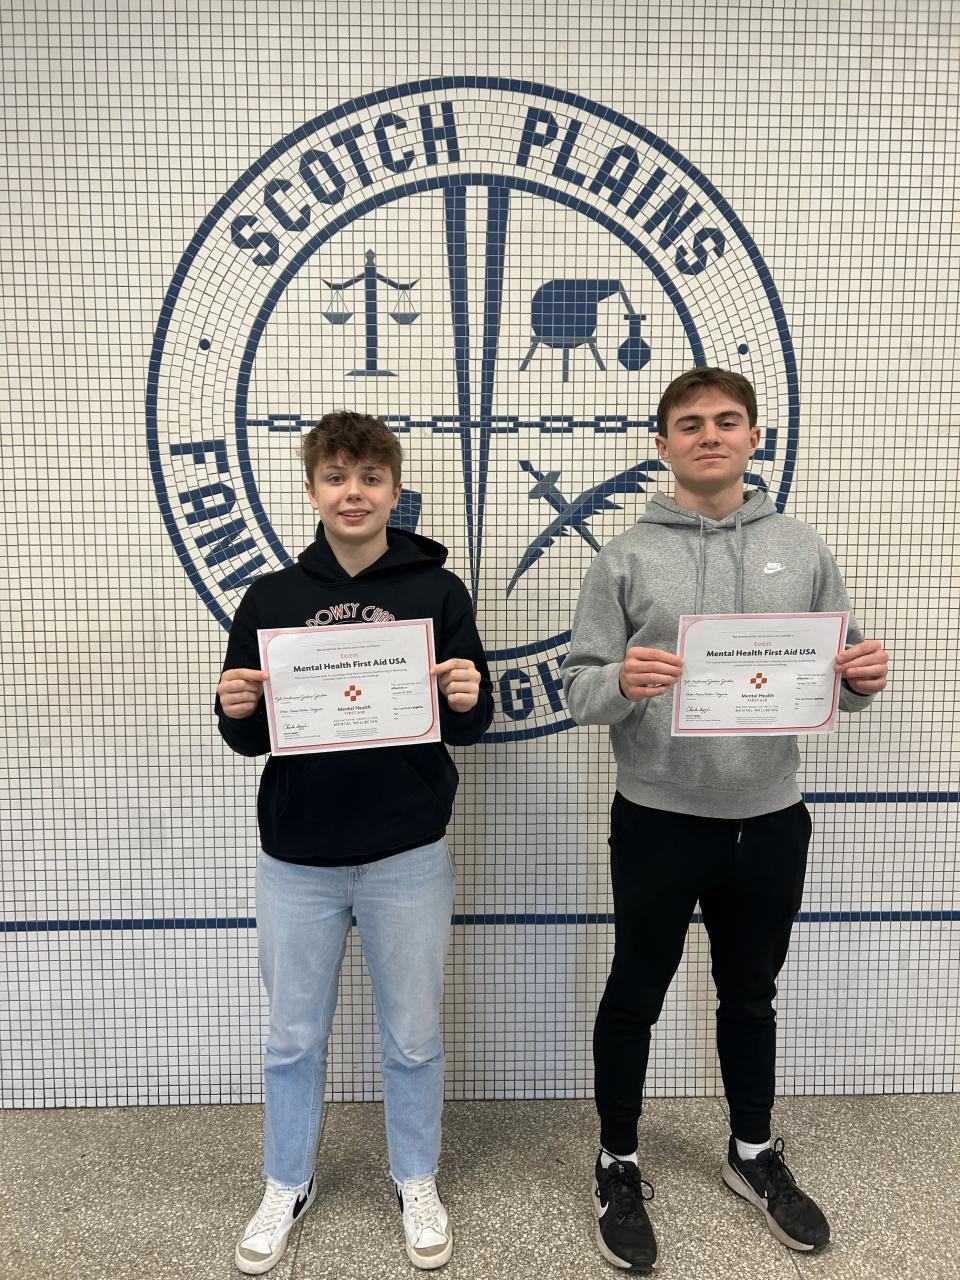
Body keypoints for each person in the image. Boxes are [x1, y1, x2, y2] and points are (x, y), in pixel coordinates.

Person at [562, 368, 888, 1274]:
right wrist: (619, 683)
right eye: (691, 424)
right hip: (660, 817)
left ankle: (752, 1153)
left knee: (752, 995)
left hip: (771, 819)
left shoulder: (800, 546)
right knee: (637, 992)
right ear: (661, 445)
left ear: (753, 438)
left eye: (728, 421)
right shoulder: (624, 557)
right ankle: (616, 1161)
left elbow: (837, 679)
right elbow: (580, 686)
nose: (711, 435)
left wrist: (859, 681)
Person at [216, 412, 493, 1273]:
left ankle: (415, 1175)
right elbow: (251, 738)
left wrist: (466, 693)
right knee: (294, 1037)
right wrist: (234, 707)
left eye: (371, 478)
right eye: (336, 477)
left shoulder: (438, 595)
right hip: (296, 858)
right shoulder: (270, 599)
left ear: (394, 491)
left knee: (412, 1035)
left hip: (407, 851)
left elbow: (472, 725)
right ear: (311, 492)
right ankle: (284, 1181)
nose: (354, 492)